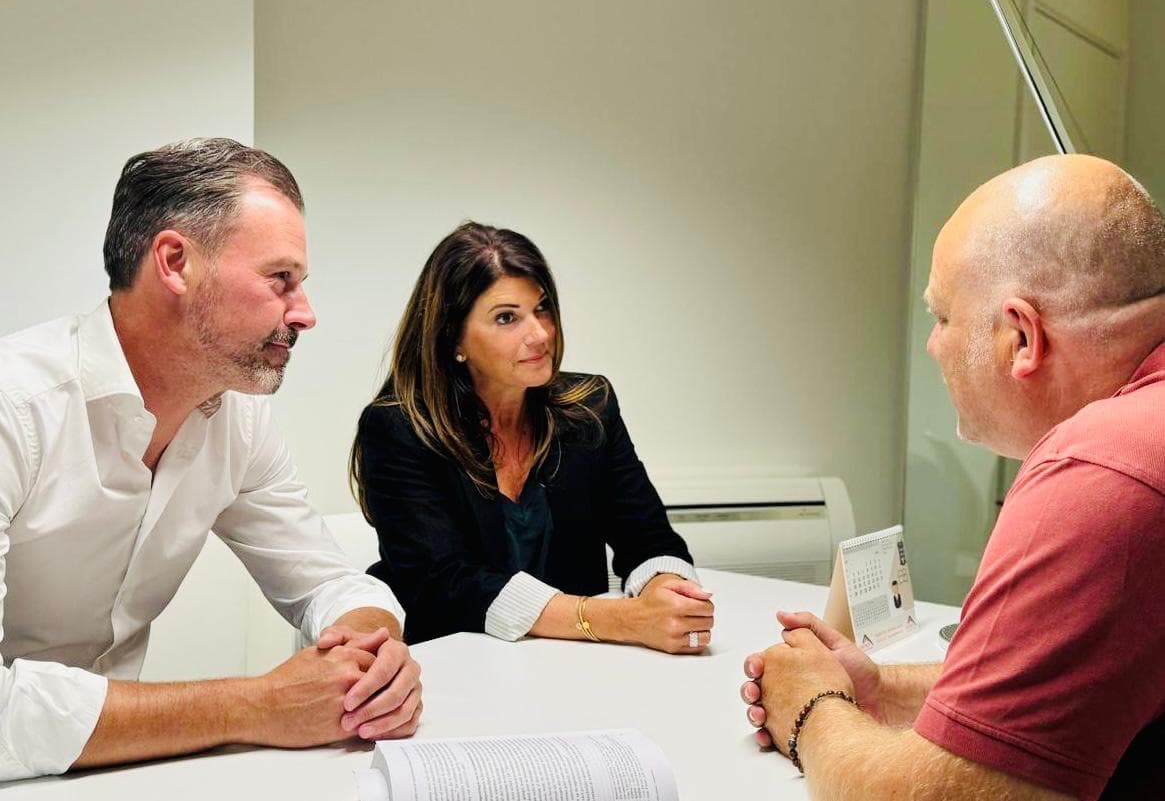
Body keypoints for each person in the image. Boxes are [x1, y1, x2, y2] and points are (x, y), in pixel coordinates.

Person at [739, 154, 1165, 800]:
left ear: (1021, 337)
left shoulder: (1099, 472)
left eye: (942, 318)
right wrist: (883, 689)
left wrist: (810, 704)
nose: (931, 345)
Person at [0, 139, 422, 781]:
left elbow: (328, 581)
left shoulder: (237, 418)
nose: (305, 313)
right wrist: (254, 707)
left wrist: (369, 653)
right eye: (280, 279)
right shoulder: (14, 407)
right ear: (175, 263)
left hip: (109, 775)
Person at [350, 222, 714, 650]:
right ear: (453, 338)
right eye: (507, 318)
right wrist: (621, 620)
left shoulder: (589, 409)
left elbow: (649, 536)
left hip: (571, 663)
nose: (540, 334)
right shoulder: (399, 428)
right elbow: (445, 584)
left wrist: (669, 594)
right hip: (455, 661)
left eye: (542, 309)